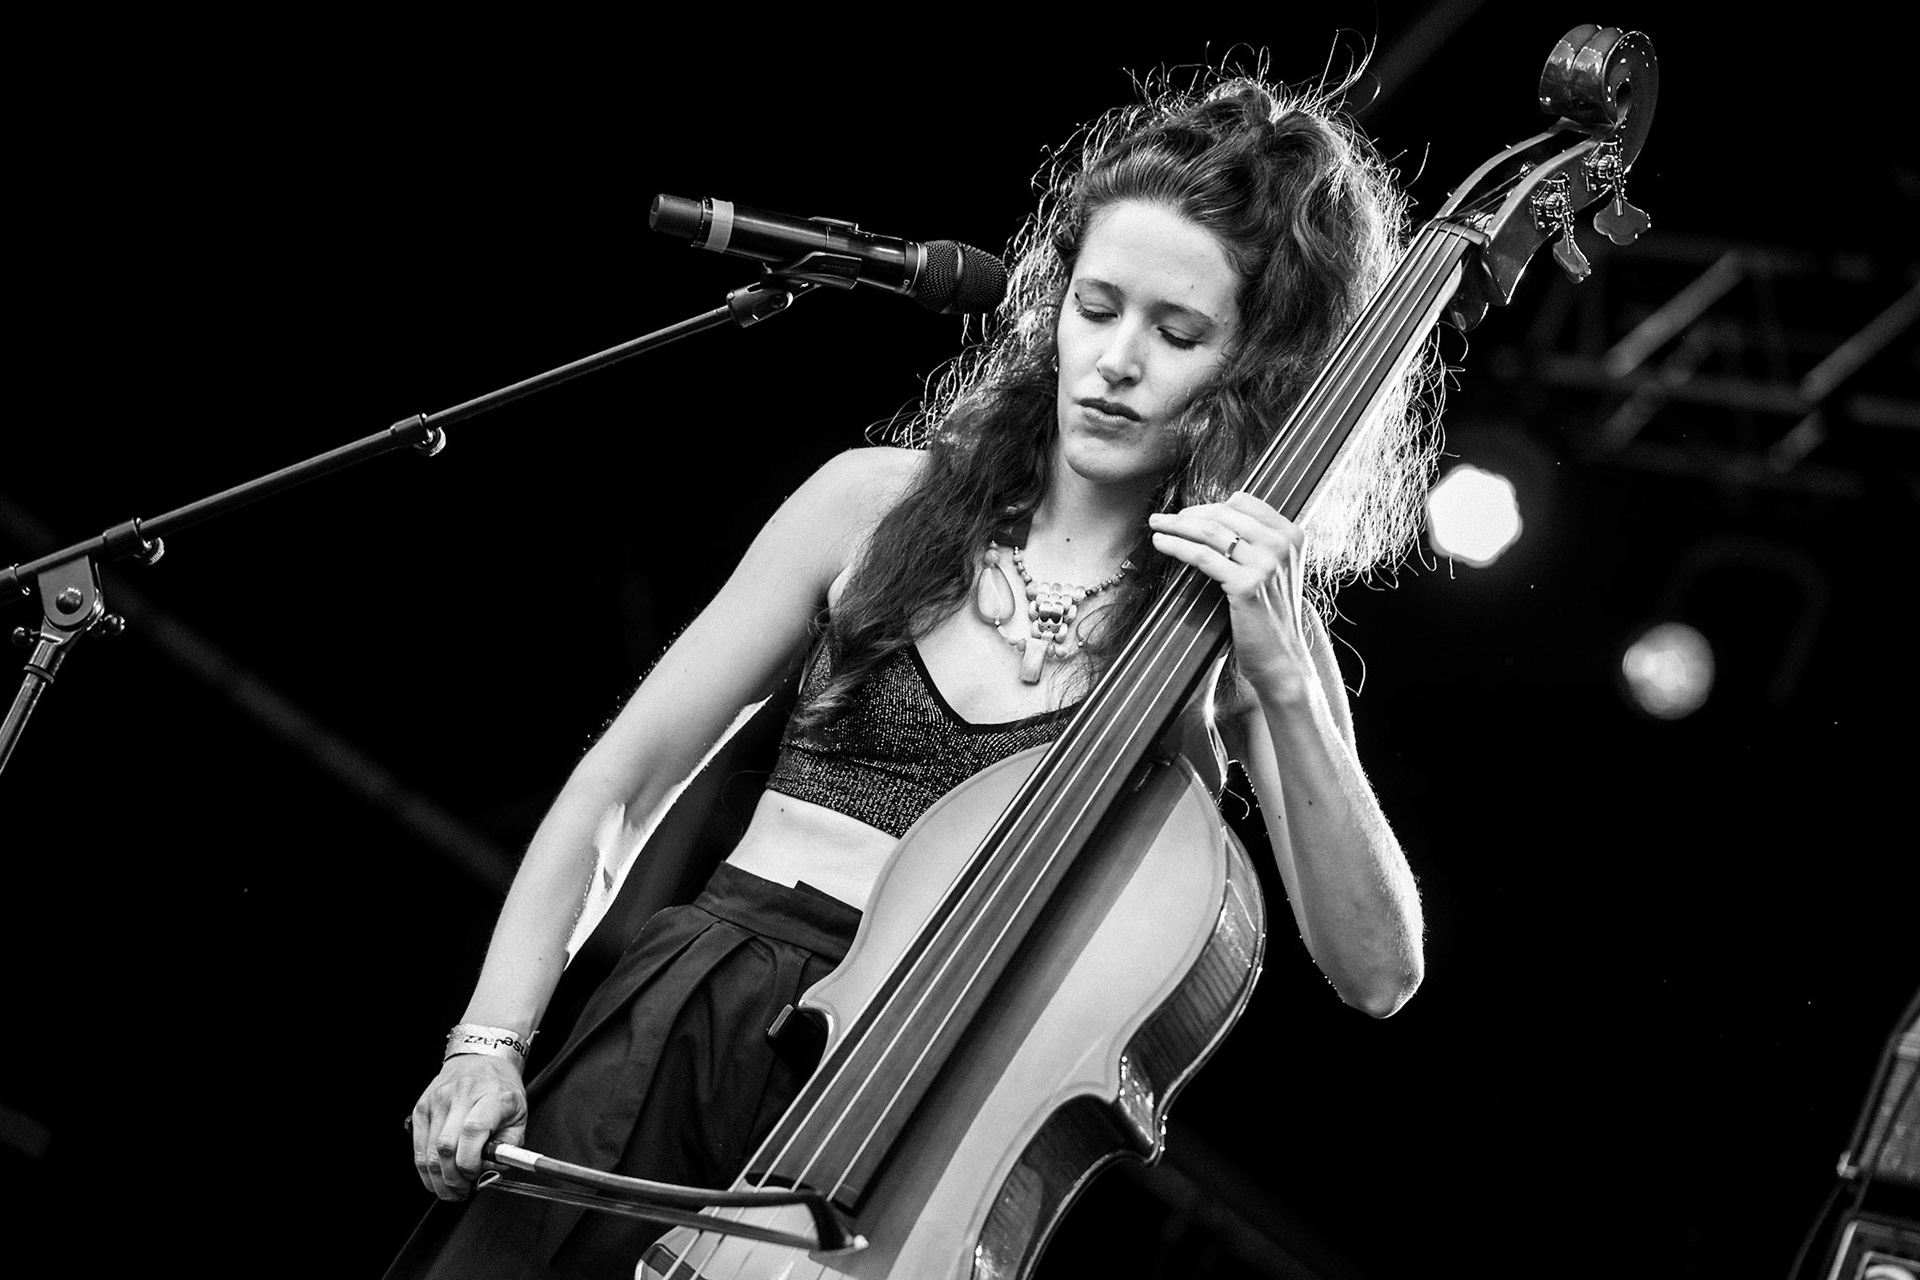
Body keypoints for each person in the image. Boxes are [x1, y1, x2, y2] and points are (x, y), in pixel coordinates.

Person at [393, 62, 1434, 1279]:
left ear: (1254, 365)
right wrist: (487, 1039)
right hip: (687, 1030)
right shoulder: (874, 504)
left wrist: (1289, 681)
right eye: (1095, 307)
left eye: (1178, 331)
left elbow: (1379, 970)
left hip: (916, 1126)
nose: (1113, 360)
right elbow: (620, 785)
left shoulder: (1236, 630)